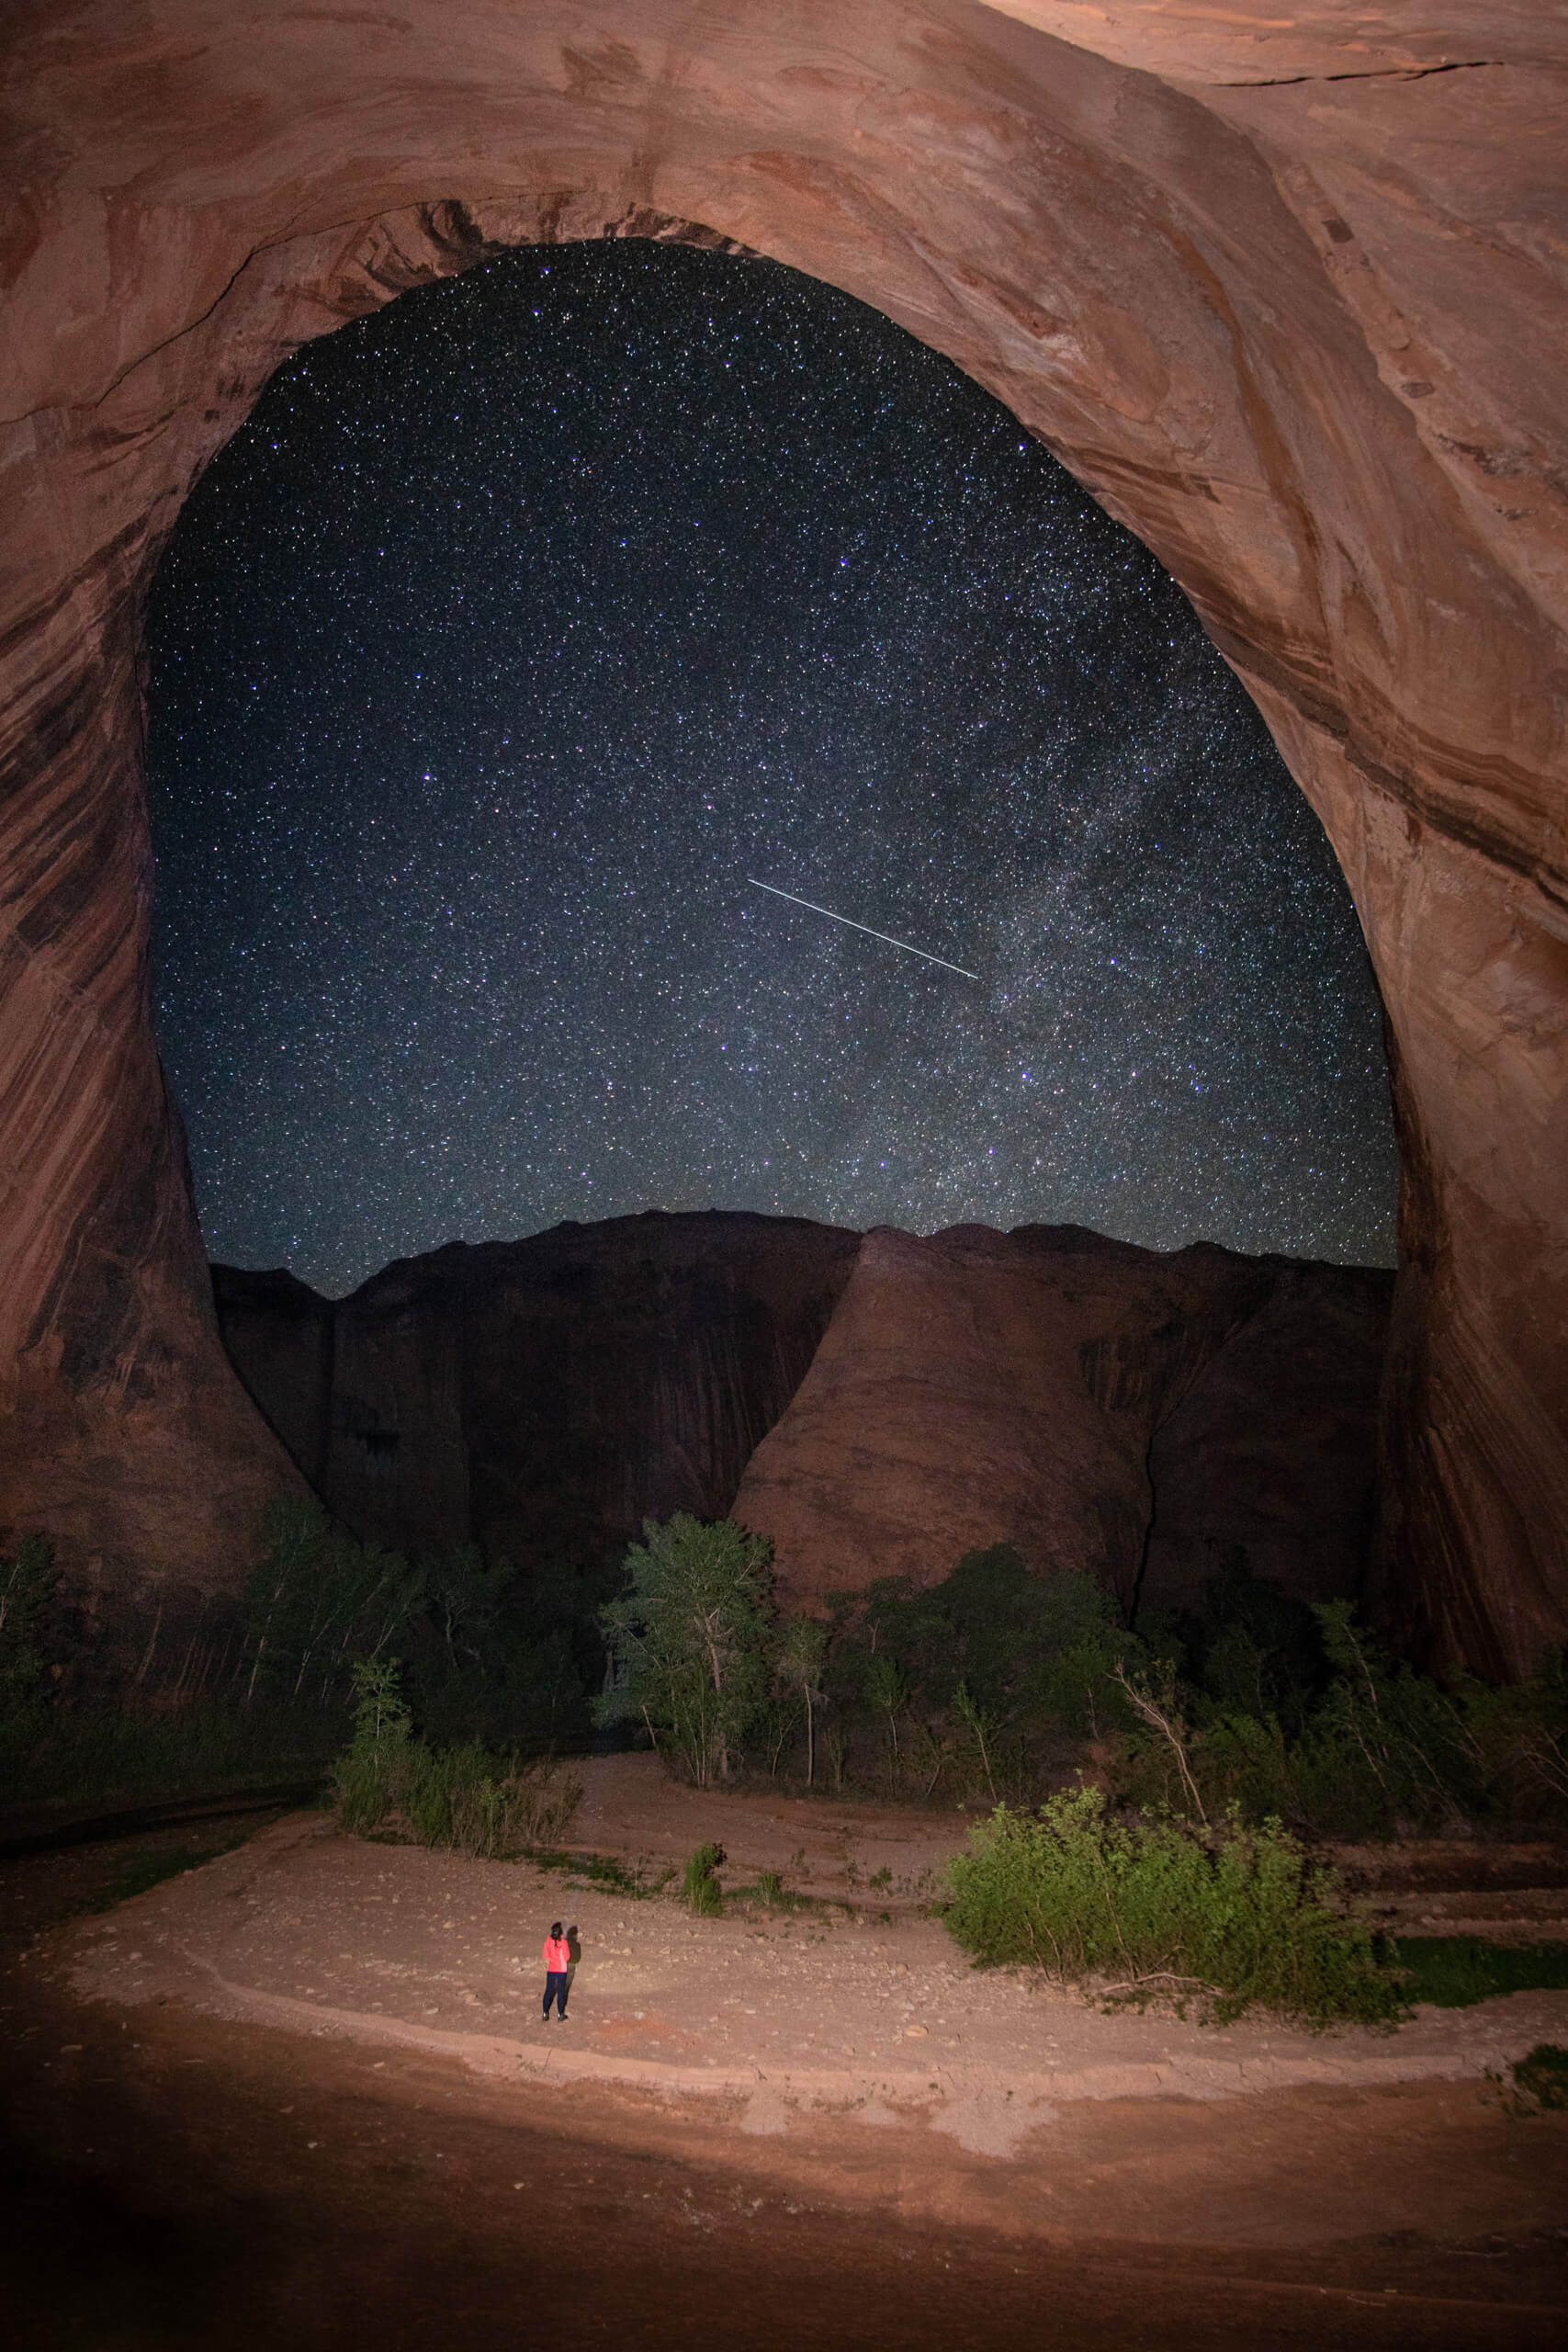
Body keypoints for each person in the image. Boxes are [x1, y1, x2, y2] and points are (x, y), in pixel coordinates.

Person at [541, 1919, 570, 2022]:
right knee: (561, 1992)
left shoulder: (548, 1941)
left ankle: (545, 2013)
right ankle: (560, 2014)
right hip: (562, 1970)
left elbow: (545, 1955)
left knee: (548, 1991)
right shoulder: (564, 1942)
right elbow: (567, 1957)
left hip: (551, 1969)